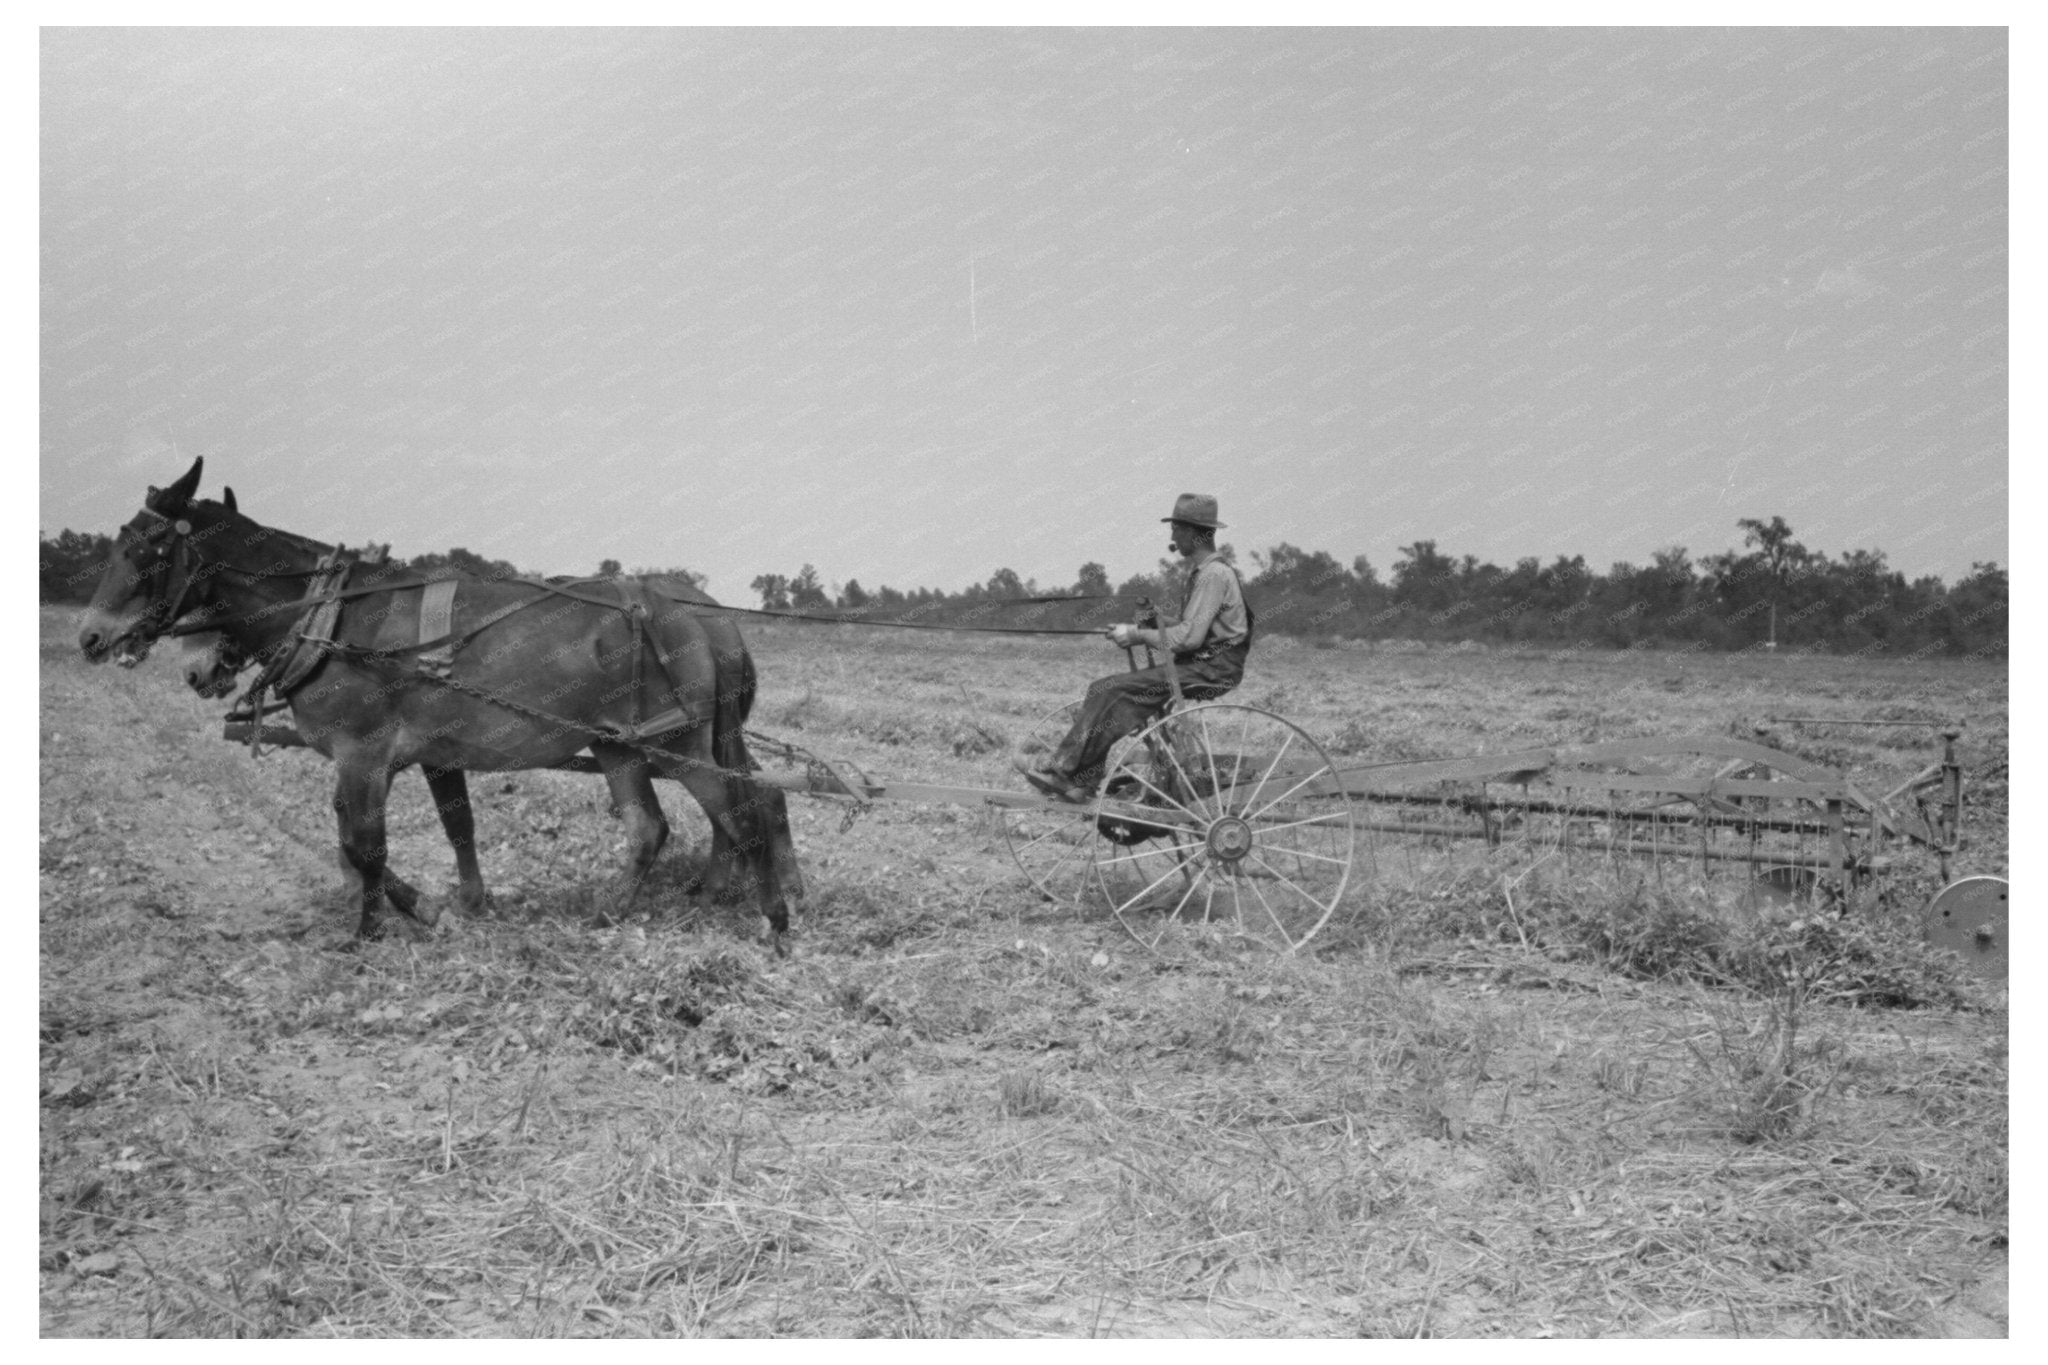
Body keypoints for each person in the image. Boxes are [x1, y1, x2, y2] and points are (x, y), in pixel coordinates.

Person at [1017, 493, 1254, 802]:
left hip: (1213, 668)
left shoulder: (1213, 575)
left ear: (1193, 533)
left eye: (1176, 529)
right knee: (1105, 688)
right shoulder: (1204, 573)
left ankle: (1066, 771)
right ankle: (1080, 778)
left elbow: (1190, 638)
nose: (1172, 536)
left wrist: (1137, 634)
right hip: (1201, 664)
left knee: (1111, 689)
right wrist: (1154, 620)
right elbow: (1190, 627)